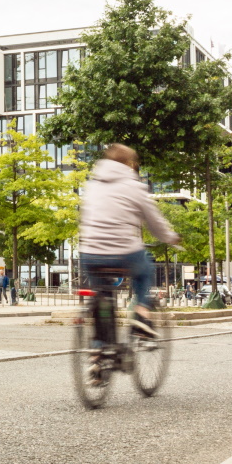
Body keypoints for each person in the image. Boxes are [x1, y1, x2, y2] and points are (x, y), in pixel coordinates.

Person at [77, 143, 180, 339]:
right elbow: (154, 221)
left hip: (90, 253)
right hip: (123, 252)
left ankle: (98, 353)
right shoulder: (134, 186)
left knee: (101, 296)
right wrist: (170, 237)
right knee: (146, 270)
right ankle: (140, 316)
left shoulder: (92, 186)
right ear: (130, 164)